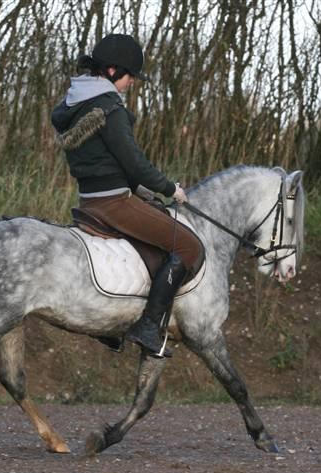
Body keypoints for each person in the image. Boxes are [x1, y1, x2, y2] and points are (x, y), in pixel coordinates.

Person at [51, 34, 204, 358]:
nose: (133, 81)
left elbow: (109, 163)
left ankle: (113, 321)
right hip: (114, 203)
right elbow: (134, 164)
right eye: (130, 75)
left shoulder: (75, 105)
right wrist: (170, 189)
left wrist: (145, 191)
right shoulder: (109, 108)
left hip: (89, 200)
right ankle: (149, 326)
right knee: (190, 246)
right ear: (111, 70)